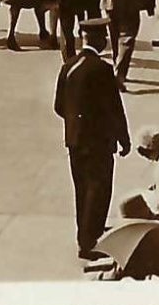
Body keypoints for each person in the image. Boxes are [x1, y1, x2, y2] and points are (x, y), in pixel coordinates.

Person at [54, 20, 130, 261]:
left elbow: (59, 106)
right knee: (99, 189)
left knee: (82, 188)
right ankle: (90, 240)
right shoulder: (103, 69)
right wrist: (123, 138)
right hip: (99, 141)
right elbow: (114, 108)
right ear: (100, 39)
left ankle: (83, 234)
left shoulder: (68, 66)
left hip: (75, 140)